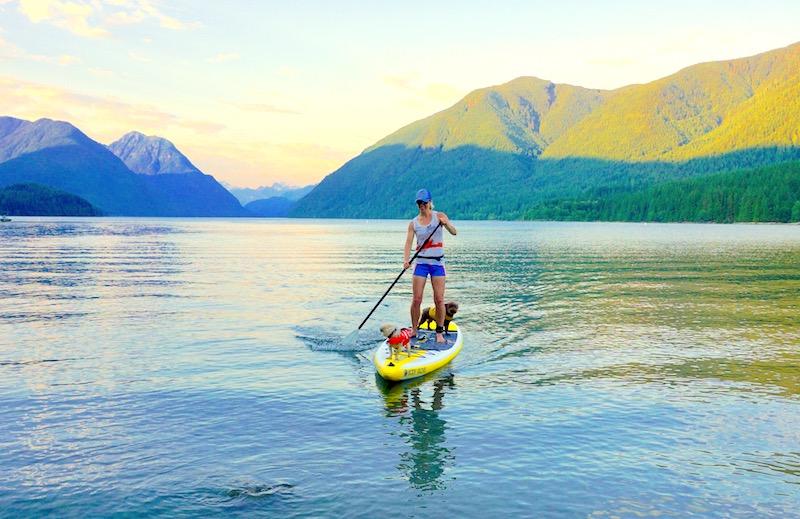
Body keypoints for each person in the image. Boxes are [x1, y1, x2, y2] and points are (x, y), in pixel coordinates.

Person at [403, 188, 457, 343]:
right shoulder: (413, 223)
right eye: (419, 203)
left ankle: (439, 332)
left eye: (424, 202)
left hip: (437, 263)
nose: (422, 205)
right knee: (416, 299)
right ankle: (414, 330)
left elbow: (454, 232)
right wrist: (406, 260)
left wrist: (446, 224)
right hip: (421, 263)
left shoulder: (439, 216)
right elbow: (408, 243)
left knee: (439, 300)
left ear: (430, 202)